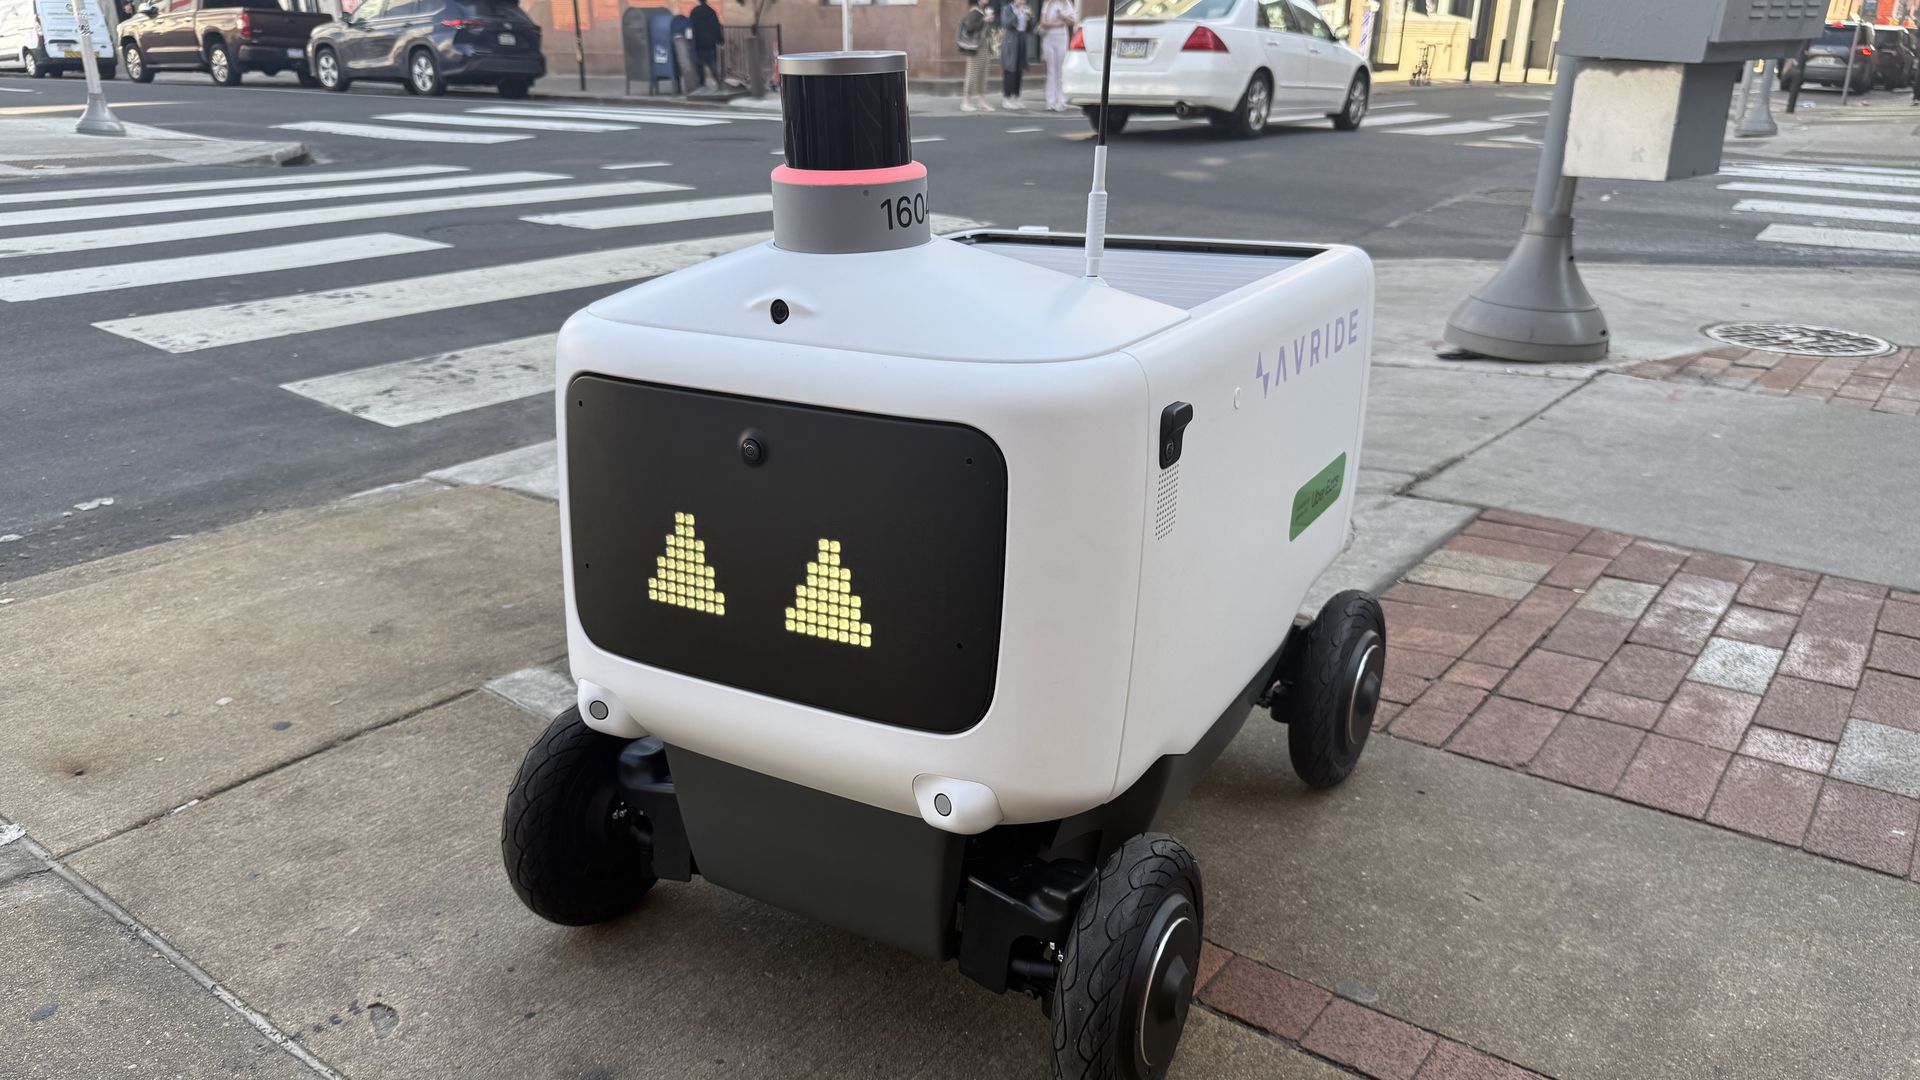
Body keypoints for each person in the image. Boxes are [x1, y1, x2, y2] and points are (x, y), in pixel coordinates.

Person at [958, 0, 995, 112]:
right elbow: (970, 27)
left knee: (983, 74)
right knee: (972, 73)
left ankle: (981, 101)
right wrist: (984, 20)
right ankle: (966, 101)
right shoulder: (974, 11)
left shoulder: (982, 11)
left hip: (984, 47)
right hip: (976, 48)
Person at [1039, 0, 1075, 112]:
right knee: (1051, 70)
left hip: (1061, 38)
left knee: (1059, 70)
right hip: (1048, 38)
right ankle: (1050, 100)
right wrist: (1057, 24)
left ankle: (1060, 100)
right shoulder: (1048, 3)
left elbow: (1072, 21)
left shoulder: (1066, 4)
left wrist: (1062, 16)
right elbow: (1043, 22)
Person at [1000, 0, 1032, 110]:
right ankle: (1007, 97)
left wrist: (1029, 18)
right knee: (1010, 68)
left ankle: (1016, 96)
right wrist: (1017, 14)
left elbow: (1030, 28)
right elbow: (1006, 23)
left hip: (1022, 39)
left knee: (1019, 69)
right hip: (1011, 40)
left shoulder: (1026, 9)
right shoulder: (1007, 9)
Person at [688, 0, 723, 93]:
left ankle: (701, 84)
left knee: (699, 65)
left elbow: (691, 27)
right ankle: (719, 81)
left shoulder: (694, 12)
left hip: (698, 43)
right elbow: (716, 27)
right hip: (710, 43)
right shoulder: (711, 11)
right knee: (712, 64)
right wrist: (720, 40)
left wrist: (691, 41)